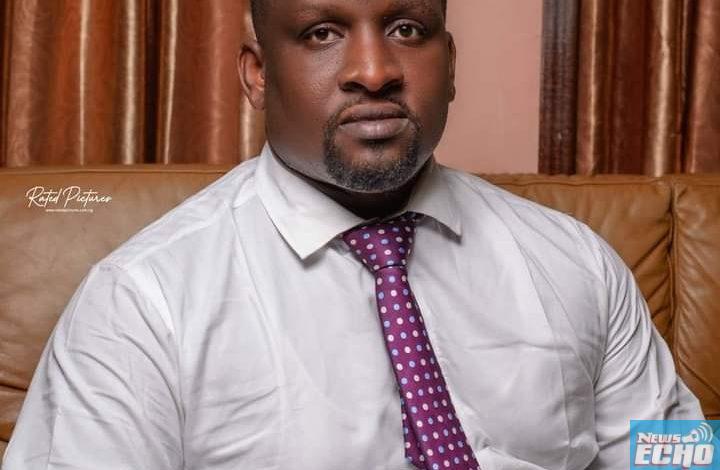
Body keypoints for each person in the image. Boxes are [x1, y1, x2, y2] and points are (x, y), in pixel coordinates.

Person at [3, 0, 703, 469]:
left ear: (450, 64)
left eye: (407, 29)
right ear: (256, 74)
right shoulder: (140, 302)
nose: (374, 71)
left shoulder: (576, 260)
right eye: (322, 33)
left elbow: (675, 452)